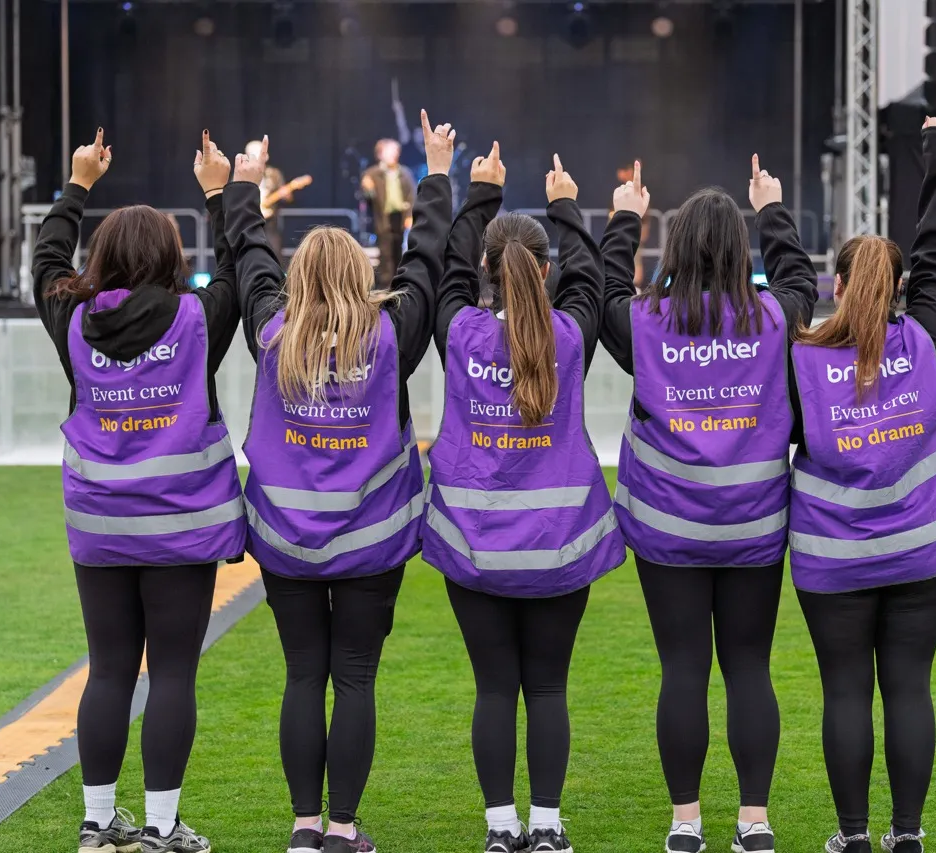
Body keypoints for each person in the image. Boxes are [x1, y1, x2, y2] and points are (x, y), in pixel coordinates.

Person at [223, 113, 455, 853]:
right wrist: (437, 175)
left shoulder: (272, 332)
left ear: (298, 278)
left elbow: (251, 261)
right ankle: (343, 828)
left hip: (287, 539)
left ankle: (302, 826)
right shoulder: (390, 333)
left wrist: (239, 188)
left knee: (302, 677)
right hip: (372, 542)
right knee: (354, 679)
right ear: (359, 274)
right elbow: (425, 260)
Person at [31, 128, 247, 853]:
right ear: (169, 257)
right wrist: (217, 193)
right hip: (183, 527)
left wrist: (78, 184)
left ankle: (97, 823)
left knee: (110, 670)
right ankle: (159, 827)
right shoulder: (197, 319)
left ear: (103, 258)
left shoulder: (73, 321)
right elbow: (238, 271)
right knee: (173, 673)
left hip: (100, 525)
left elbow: (45, 262)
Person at [599, 160, 819, 853]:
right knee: (749, 667)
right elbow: (801, 282)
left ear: (678, 248)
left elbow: (605, 292)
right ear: (739, 250)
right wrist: (771, 208)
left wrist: (626, 216)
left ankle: (686, 822)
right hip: (754, 525)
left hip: (668, 529)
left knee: (683, 669)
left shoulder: (646, 321)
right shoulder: (775, 318)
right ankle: (753, 821)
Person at [425, 147, 626, 853]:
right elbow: (591, 278)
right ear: (544, 272)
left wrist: (480, 193)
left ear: (487, 269)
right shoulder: (569, 334)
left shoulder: (460, 331)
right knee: (546, 689)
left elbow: (447, 270)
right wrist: (565, 203)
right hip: (557, 547)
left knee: (493, 690)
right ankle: (545, 825)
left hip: (474, 548)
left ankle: (500, 827)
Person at [788, 117, 936, 853]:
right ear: (900, 290)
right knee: (909, 688)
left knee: (845, 692)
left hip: (833, 559)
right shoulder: (926, 339)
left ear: (834, 286)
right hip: (922, 550)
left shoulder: (800, 361)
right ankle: (909, 834)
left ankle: (855, 836)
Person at [360, 139, 416, 289]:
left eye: (395, 151)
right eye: (390, 151)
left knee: (399, 252)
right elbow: (368, 199)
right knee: (385, 254)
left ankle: (399, 285)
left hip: (400, 217)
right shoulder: (372, 174)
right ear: (380, 154)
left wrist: (410, 215)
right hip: (383, 219)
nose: (394, 154)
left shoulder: (404, 173)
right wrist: (368, 189)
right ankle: (386, 287)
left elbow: (412, 195)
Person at [246, 139, 289, 258]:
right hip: (249, 219)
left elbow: (287, 197)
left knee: (275, 251)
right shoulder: (242, 173)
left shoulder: (273, 174)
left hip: (269, 220)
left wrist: (285, 194)